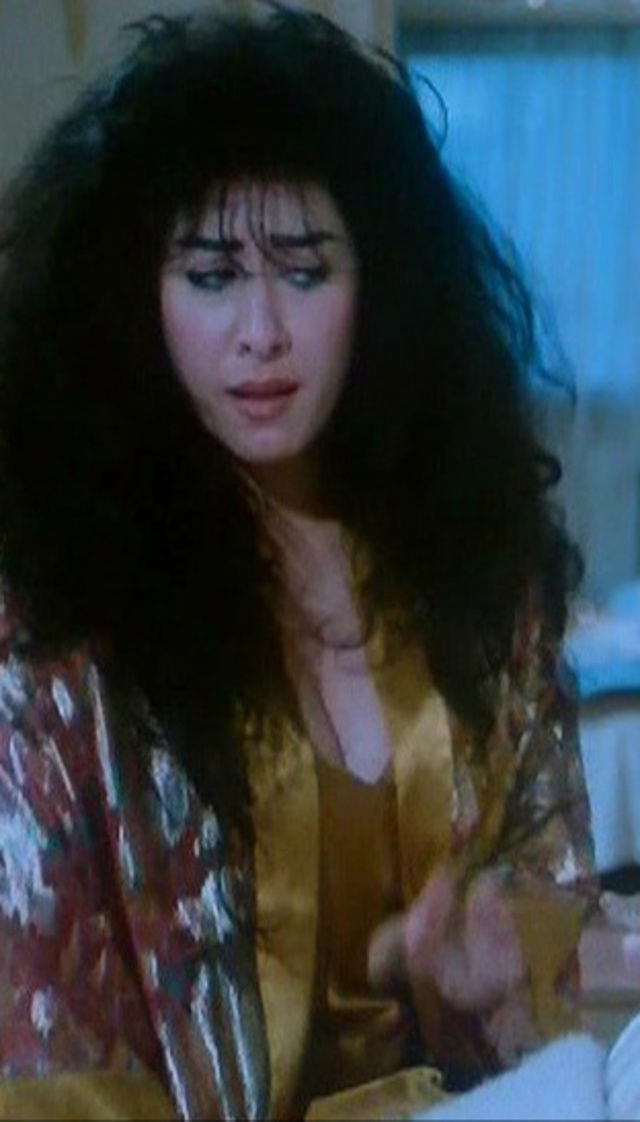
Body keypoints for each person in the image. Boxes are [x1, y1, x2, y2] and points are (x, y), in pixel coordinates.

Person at [0, 4, 596, 1119]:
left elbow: (547, 908)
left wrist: (482, 984)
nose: (261, 332)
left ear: (381, 287)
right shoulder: (60, 626)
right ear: (138, 297)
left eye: (306, 271)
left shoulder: (484, 582)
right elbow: (44, 1041)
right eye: (211, 275)